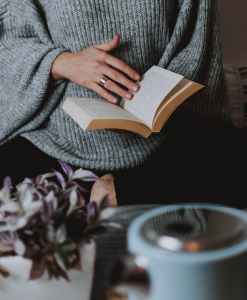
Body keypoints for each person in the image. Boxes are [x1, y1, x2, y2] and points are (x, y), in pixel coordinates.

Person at [0, 0, 245, 207]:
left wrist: (154, 102)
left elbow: (196, 43)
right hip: (54, 140)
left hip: (165, 138)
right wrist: (63, 63)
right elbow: (8, 37)